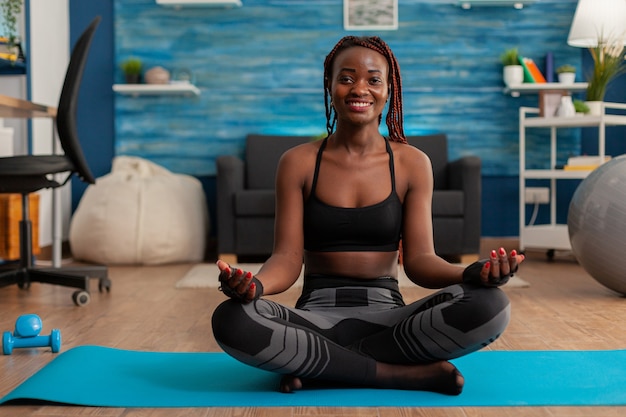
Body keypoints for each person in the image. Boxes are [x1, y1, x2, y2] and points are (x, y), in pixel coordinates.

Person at [212, 36, 523, 396]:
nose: (359, 88)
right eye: (346, 78)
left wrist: (472, 273)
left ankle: (322, 367)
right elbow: (287, 258)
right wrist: (255, 287)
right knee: (232, 318)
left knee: (491, 305)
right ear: (330, 86)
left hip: (390, 319)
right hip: (314, 318)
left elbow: (421, 261)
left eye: (373, 79)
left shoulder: (412, 163)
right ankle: (400, 374)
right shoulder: (297, 162)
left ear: (389, 91)